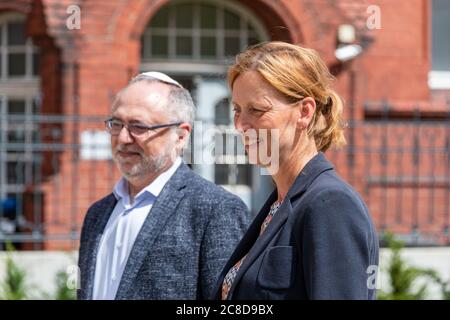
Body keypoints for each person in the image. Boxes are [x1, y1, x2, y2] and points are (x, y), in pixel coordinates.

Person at [211, 42, 379, 300]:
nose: (241, 126)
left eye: (257, 110)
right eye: (237, 110)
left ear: (304, 112)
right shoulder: (279, 202)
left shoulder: (329, 202)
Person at [77, 71, 250, 300]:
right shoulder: (97, 214)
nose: (123, 138)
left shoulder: (215, 210)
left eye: (139, 126)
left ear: (180, 136)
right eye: (117, 124)